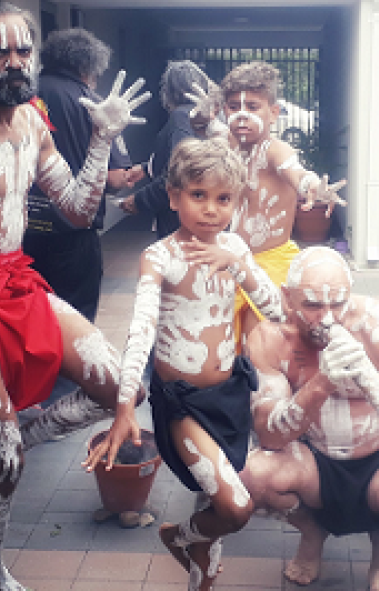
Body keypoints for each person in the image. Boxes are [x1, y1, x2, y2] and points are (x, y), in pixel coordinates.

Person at [0, 0, 149, 590]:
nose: (15, 63)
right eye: (0, 51)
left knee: (122, 387)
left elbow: (76, 209)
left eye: (23, 51)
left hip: (16, 276)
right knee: (5, 463)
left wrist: (100, 140)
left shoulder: (33, 121)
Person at [84, 138, 284, 591]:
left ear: (235, 202)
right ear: (173, 197)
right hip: (184, 404)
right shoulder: (160, 257)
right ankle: (179, 538)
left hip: (229, 396)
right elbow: (141, 330)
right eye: (198, 195)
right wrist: (124, 407)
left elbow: (277, 312)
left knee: (209, 502)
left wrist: (240, 267)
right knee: (235, 506)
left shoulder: (234, 248)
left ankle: (199, 570)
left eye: (223, 199)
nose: (211, 209)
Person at [240, 246, 379, 591]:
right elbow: (269, 436)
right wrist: (322, 382)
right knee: (252, 478)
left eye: (337, 303)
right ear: (287, 299)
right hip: (314, 459)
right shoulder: (270, 339)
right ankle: (312, 532)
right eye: (312, 305)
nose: (327, 318)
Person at [214, 61, 347, 346]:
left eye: (252, 106)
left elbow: (295, 171)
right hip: (229, 262)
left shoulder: (275, 150)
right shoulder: (225, 146)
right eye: (233, 107)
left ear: (273, 113)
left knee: (260, 342)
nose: (241, 115)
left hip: (270, 263)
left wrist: (313, 187)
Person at [23, 27, 133, 324]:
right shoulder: (94, 104)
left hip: (21, 235)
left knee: (28, 322)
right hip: (72, 237)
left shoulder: (18, 96)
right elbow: (114, 178)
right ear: (88, 67)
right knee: (74, 326)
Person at [118, 60, 219, 239]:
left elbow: (181, 170)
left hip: (181, 217)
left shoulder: (181, 116)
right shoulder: (203, 118)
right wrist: (146, 168)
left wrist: (140, 200)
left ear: (169, 91)